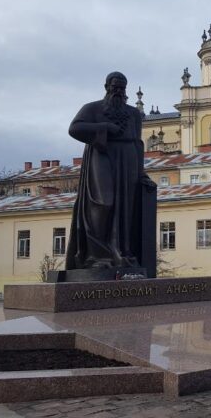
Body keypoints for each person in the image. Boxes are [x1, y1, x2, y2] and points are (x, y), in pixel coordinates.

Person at [66, 71, 156, 272]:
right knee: (103, 203)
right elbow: (74, 129)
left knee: (126, 208)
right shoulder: (93, 108)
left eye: (122, 88)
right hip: (102, 155)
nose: (118, 91)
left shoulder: (133, 113)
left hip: (128, 159)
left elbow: (138, 143)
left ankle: (120, 252)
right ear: (106, 86)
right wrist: (104, 127)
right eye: (114, 87)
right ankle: (95, 256)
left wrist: (141, 173)